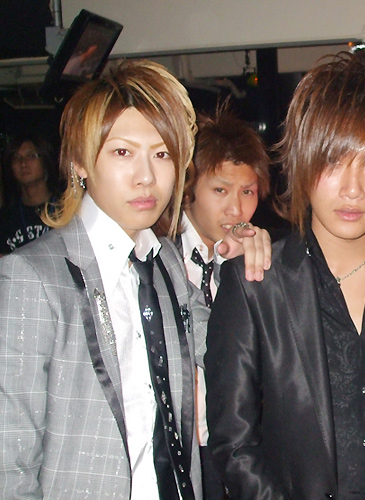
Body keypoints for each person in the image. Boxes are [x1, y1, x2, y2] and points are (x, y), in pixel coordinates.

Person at [0, 59, 270, 500]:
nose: (146, 177)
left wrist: (241, 273)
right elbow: (9, 464)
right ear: (80, 162)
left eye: (162, 155)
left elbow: (228, 351)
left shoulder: (164, 261)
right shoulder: (33, 278)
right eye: (122, 152)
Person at [206, 53, 365, 499]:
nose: (353, 189)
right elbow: (234, 445)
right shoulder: (258, 284)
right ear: (302, 162)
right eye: (333, 162)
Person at [179, 106, 270, 500]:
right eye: (220, 190)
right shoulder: (157, 255)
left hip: (241, 444)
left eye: (247, 191)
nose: (236, 209)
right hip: (180, 444)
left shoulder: (254, 254)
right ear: (188, 189)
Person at [0, 134, 58, 254]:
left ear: (45, 161)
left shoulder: (66, 209)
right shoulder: (6, 218)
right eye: (16, 158)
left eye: (31, 156)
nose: (23, 164)